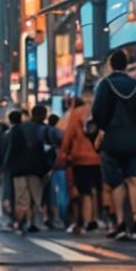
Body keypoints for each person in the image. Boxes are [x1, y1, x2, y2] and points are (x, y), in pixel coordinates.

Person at [92, 50, 136, 240]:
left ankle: (121, 222)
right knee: (135, 180)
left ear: (111, 65)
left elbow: (98, 112)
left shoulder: (105, 85)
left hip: (112, 140)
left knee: (117, 183)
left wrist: (102, 129)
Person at [57, 85, 102, 233]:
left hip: (80, 158)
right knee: (98, 189)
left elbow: (68, 136)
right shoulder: (100, 111)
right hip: (99, 156)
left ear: (83, 96)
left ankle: (88, 220)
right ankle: (98, 218)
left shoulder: (76, 113)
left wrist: (62, 154)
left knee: (85, 191)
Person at [4, 105, 52, 234]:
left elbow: (10, 150)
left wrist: (9, 168)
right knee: (36, 198)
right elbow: (46, 148)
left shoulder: (17, 130)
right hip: (36, 169)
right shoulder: (42, 129)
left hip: (18, 170)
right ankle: (33, 223)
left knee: (22, 199)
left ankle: (19, 223)